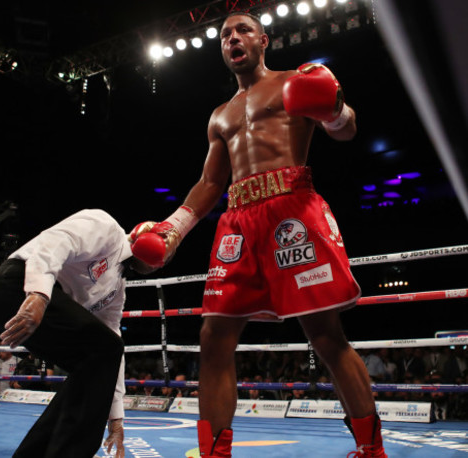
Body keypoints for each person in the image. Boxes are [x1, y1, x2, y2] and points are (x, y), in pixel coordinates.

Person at [129, 12, 386, 457]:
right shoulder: (219, 115)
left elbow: (346, 130)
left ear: (263, 41)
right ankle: (215, 453)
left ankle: (370, 449)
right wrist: (173, 229)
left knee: (324, 333)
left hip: (292, 211)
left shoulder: (293, 82)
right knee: (213, 336)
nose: (233, 37)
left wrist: (336, 108)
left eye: (242, 30)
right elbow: (210, 184)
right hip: (238, 221)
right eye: (226, 33)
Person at [0, 208, 156, 458]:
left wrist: (115, 418)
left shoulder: (117, 288)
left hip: (35, 304)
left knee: (95, 361)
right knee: (103, 350)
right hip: (15, 286)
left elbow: (112, 345)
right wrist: (39, 294)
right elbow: (56, 241)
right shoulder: (107, 228)